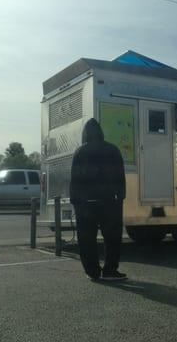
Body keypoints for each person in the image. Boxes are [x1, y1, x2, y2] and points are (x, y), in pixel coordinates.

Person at [70, 118, 127, 282]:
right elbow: (120, 176)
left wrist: (75, 200)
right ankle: (110, 270)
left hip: (86, 203)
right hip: (109, 201)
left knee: (87, 239)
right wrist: (120, 196)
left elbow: (75, 179)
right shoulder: (113, 150)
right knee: (112, 238)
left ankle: (92, 271)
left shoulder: (80, 152)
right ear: (101, 132)